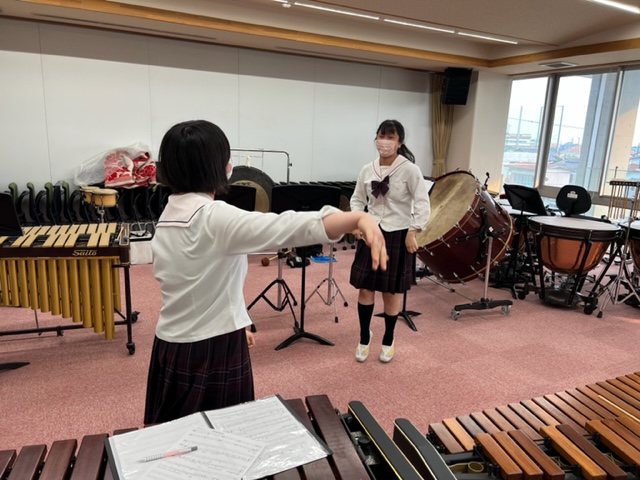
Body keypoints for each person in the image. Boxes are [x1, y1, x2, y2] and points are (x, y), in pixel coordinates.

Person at [144, 119, 387, 425]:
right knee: (222, 435)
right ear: (218, 167)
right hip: (210, 348)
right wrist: (357, 219)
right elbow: (286, 226)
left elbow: (198, 281)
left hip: (170, 345)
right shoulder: (213, 217)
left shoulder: (169, 214)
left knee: (176, 434)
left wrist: (237, 321)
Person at [349, 119, 430, 363]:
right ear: (375, 138)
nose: (384, 142)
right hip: (371, 232)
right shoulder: (367, 169)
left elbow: (422, 202)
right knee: (365, 287)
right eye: (381, 136)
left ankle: (389, 338)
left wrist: (414, 231)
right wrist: (358, 222)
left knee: (390, 291)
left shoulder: (410, 170)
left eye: (390, 137)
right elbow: (357, 199)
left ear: (399, 142)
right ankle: (364, 335)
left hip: (397, 233)